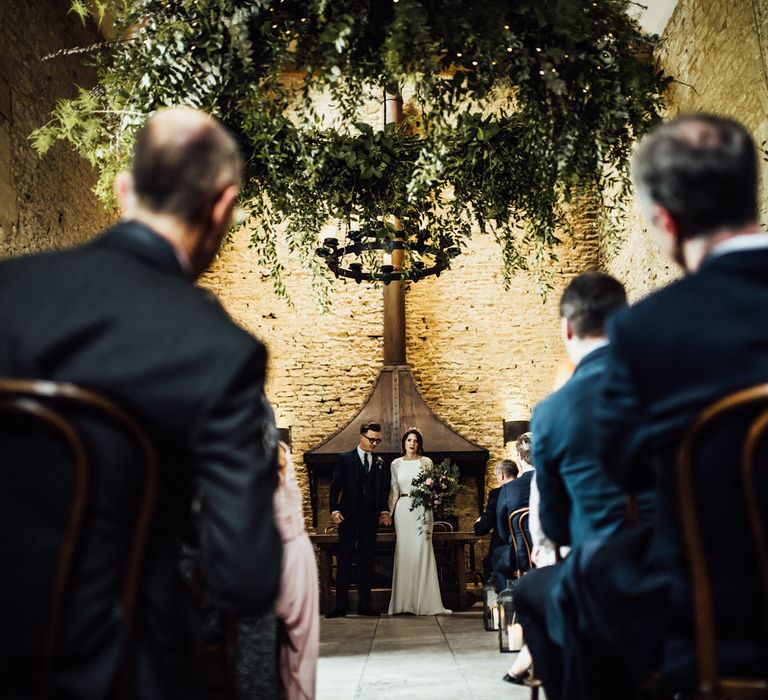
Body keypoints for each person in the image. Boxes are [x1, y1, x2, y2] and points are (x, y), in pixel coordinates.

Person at [0, 107, 281, 698]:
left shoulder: (10, 289)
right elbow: (246, 579)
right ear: (223, 206)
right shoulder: (218, 349)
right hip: (120, 669)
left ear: (125, 191)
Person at [523, 114, 768, 700]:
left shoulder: (648, 333)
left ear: (664, 219)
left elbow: (626, 469)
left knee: (568, 587)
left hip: (723, 624)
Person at [513, 272, 637, 698]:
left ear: (567, 329)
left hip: (609, 586)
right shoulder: (667, 386)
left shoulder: (553, 411)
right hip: (696, 581)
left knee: (529, 590)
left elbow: (558, 527)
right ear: (625, 320)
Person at [326, 422, 391, 618]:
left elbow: (383, 490)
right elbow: (334, 486)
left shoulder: (380, 461)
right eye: (372, 440)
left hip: (370, 518)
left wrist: (383, 511)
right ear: (361, 437)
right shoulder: (345, 459)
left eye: (377, 441)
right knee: (345, 560)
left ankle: (365, 605)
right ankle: (340, 606)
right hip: (348, 516)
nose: (374, 444)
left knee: (366, 561)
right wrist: (334, 509)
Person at [387, 427, 451, 615]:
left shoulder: (426, 462)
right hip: (403, 508)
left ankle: (426, 603)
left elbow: (433, 487)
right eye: (409, 440)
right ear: (404, 443)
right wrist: (388, 514)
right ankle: (403, 603)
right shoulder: (396, 464)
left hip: (423, 508)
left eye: (415, 441)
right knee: (404, 551)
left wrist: (434, 501)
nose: (412, 443)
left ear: (419, 444)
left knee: (423, 550)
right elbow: (394, 491)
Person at [274, 442, 319, 700]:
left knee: (294, 655)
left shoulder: (269, 449)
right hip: (291, 552)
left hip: (287, 556)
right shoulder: (276, 447)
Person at [494, 432, 535, 584]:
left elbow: (501, 527)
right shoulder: (553, 482)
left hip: (522, 553)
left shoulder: (508, 489)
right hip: (552, 552)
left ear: (518, 456)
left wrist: (514, 540)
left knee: (497, 556)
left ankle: (510, 600)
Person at [474, 459, 518, 582]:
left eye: (497, 476)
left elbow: (483, 528)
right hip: (528, 548)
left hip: (505, 549)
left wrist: (478, 523)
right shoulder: (526, 490)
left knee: (488, 563)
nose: (498, 480)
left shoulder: (497, 494)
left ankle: (499, 598)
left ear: (502, 475)